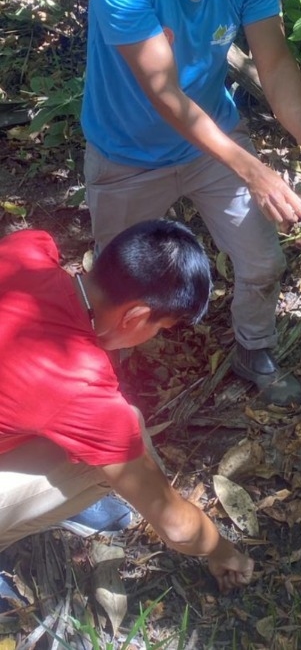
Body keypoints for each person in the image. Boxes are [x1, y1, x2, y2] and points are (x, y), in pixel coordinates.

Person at [82, 0, 301, 406]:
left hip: (211, 142)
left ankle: (254, 348)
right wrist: (254, 170)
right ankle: (110, 380)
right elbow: (164, 94)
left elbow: (272, 63)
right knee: (119, 287)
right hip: (127, 152)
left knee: (263, 261)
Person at [0, 220, 255, 598]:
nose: (155, 337)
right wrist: (223, 551)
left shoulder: (28, 248)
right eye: (161, 327)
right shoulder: (80, 385)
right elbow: (176, 528)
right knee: (115, 449)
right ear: (135, 316)